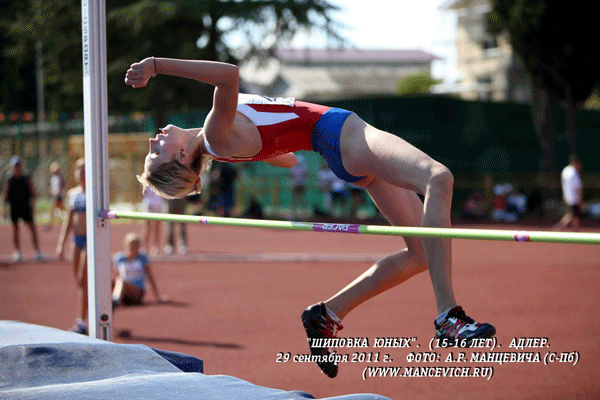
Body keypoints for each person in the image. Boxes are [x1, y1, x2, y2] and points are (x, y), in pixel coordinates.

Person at [125, 57, 496, 378]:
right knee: (438, 178)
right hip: (343, 135)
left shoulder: (221, 144)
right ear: (180, 158)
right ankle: (448, 316)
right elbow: (229, 75)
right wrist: (157, 66)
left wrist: (267, 136)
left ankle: (327, 313)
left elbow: (286, 158)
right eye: (155, 153)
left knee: (421, 254)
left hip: (339, 147)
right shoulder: (215, 134)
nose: (153, 141)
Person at [56, 158, 88, 335]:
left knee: (83, 280)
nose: (81, 174)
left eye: (84, 171)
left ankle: (81, 322)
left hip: (89, 241)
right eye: (79, 171)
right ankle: (106, 293)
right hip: (76, 240)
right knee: (79, 281)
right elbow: (68, 220)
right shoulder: (72, 194)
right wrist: (61, 244)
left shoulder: (94, 192)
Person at [3, 156, 45, 262]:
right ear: (12, 166)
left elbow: (32, 192)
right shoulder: (9, 179)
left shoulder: (26, 177)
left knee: (32, 229)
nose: (17, 167)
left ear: (21, 165)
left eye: (18, 165)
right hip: (14, 208)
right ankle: (17, 252)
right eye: (15, 165)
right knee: (15, 230)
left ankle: (37, 251)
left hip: (26, 207)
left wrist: (34, 206)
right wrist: (4, 209)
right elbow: (6, 194)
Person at [112, 232, 168, 307]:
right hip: (123, 291)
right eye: (132, 246)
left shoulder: (142, 257)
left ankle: (114, 301)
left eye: (137, 246)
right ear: (126, 245)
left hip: (137, 292)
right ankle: (108, 300)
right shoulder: (119, 258)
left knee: (121, 281)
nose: (135, 248)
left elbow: (150, 277)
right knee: (111, 280)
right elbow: (116, 277)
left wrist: (158, 297)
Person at [555, 155, 583, 231]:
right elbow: (577, 187)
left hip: (567, 196)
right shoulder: (574, 172)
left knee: (572, 214)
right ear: (576, 163)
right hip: (574, 197)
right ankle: (562, 227)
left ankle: (565, 227)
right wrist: (580, 199)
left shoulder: (565, 170)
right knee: (575, 214)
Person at [140, 186, 164, 257]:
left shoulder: (161, 181)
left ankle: (155, 248)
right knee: (147, 228)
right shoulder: (146, 181)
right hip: (149, 204)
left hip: (158, 204)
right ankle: (144, 248)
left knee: (157, 228)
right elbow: (142, 192)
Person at [289, 154, 309, 220]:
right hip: (296, 185)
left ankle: (302, 215)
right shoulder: (295, 168)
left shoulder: (298, 168)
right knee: (295, 201)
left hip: (300, 185)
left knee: (301, 201)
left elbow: (305, 175)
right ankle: (294, 215)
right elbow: (291, 176)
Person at [47, 161, 66, 230]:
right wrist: (51, 191)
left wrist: (61, 192)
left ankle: (51, 224)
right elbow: (52, 187)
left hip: (59, 196)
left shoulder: (60, 177)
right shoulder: (53, 178)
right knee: (56, 210)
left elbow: (63, 185)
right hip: (55, 196)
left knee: (57, 209)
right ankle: (51, 224)